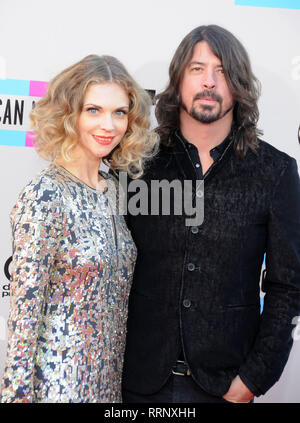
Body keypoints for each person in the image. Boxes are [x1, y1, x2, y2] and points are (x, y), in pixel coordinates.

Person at [122, 25, 300, 403]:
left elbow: (288, 286)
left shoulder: (275, 172)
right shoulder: (139, 164)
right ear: (178, 81)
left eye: (222, 71)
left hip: (224, 387)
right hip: (136, 381)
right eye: (197, 69)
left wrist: (252, 380)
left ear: (238, 85)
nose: (209, 82)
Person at [0, 54, 158, 403]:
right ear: (68, 114)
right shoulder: (46, 193)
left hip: (108, 389)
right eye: (94, 110)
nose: (109, 125)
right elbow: (24, 319)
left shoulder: (113, 189)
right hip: (56, 390)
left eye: (119, 112)